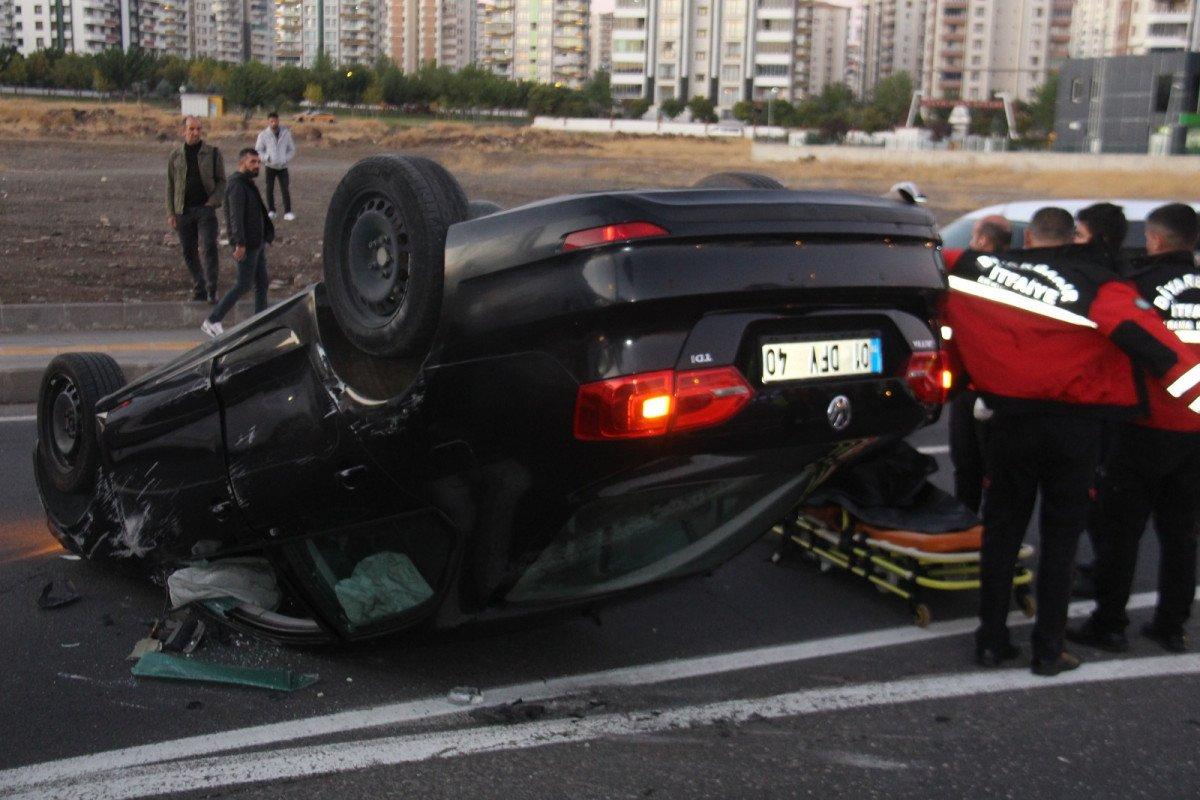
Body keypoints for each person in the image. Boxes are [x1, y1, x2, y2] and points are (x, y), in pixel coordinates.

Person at [944, 206, 1200, 676]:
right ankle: (1048, 650)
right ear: (1074, 238)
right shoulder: (1101, 285)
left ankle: (991, 640)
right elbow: (1164, 355)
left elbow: (928, 257)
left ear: (1032, 234)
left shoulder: (979, 268)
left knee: (1000, 534)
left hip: (1007, 422)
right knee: (1060, 543)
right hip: (1076, 431)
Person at [1069, 203, 1200, 654]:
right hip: (1197, 427)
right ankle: (1171, 624)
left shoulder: (1137, 286)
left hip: (1146, 422)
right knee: (1182, 534)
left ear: (1157, 240)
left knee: (1120, 531)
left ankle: (1109, 622)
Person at [1070, 202, 1130, 596]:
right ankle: (1104, 568)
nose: (1073, 242)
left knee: (1103, 499)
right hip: (1110, 404)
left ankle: (1107, 581)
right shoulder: (1120, 274)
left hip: (1105, 406)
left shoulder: (1105, 281)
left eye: (1079, 234)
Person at [949, 214, 1013, 513]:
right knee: (989, 469)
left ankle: (970, 526)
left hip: (976, 387)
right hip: (996, 388)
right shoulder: (1019, 277)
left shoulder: (967, 269)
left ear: (984, 241)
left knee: (970, 465)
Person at [201, 148, 274, 338]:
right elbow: (235, 216)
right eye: (252, 162)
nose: (257, 166)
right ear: (242, 163)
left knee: (261, 283)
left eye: (258, 162)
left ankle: (260, 323)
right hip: (246, 245)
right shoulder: (236, 185)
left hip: (256, 243)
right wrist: (238, 243)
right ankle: (213, 320)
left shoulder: (248, 184)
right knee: (243, 283)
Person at [166, 116, 226, 303]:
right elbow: (170, 185)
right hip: (183, 210)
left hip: (205, 210)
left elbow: (221, 181)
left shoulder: (212, 153)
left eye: (198, 129)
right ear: (184, 131)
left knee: (208, 247)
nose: (195, 132)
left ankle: (211, 288)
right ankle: (199, 286)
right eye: (191, 129)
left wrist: (213, 202)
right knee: (188, 250)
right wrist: (171, 212)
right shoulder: (176, 156)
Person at [255, 111, 297, 221]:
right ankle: (271, 211)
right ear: (268, 122)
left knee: (285, 189)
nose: (274, 123)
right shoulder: (263, 135)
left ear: (278, 121)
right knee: (269, 189)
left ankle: (288, 212)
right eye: (271, 121)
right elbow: (259, 150)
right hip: (270, 166)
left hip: (283, 167)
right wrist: (267, 158)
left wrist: (285, 159)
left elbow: (291, 149)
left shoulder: (286, 133)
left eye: (276, 121)